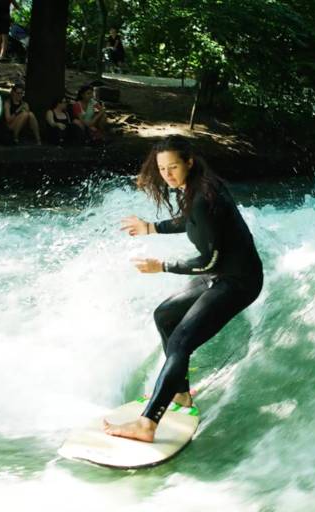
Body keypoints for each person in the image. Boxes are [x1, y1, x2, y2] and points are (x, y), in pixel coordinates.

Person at [104, 136, 264, 443]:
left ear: (189, 162)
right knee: (165, 316)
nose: (167, 174)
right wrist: (151, 227)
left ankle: (147, 424)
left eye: (173, 167)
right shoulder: (193, 188)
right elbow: (189, 222)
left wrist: (161, 266)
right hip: (219, 272)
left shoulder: (204, 196)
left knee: (180, 341)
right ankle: (181, 396)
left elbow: (207, 261)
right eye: (162, 168)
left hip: (238, 281)